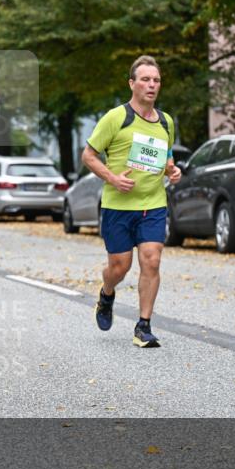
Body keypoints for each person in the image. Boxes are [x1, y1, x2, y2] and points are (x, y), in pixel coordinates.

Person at [81, 55, 181, 348]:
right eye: (145, 80)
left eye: (156, 80)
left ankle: (143, 326)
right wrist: (112, 178)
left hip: (153, 203)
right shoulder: (116, 118)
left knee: (151, 260)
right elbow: (88, 156)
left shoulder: (166, 121)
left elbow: (167, 159)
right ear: (132, 83)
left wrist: (173, 171)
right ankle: (107, 293)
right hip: (118, 206)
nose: (152, 85)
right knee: (119, 266)